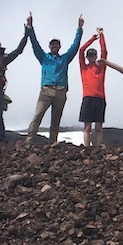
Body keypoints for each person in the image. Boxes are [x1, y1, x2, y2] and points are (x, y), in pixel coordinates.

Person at [25, 12, 84, 145]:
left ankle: (52, 143)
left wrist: (79, 29)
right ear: (49, 46)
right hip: (46, 90)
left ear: (59, 46)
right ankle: (29, 141)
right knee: (38, 115)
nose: (54, 46)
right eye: (52, 44)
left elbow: (75, 46)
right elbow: (35, 44)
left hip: (61, 91)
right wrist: (30, 27)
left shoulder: (65, 59)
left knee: (56, 119)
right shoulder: (44, 57)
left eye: (56, 44)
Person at [78, 27, 108, 147]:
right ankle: (87, 148)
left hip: (100, 98)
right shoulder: (84, 67)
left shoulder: (101, 67)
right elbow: (81, 50)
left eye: (94, 55)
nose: (92, 57)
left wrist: (101, 36)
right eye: (90, 55)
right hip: (88, 98)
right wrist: (92, 38)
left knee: (99, 126)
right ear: (87, 57)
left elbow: (104, 51)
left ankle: (98, 147)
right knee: (87, 126)